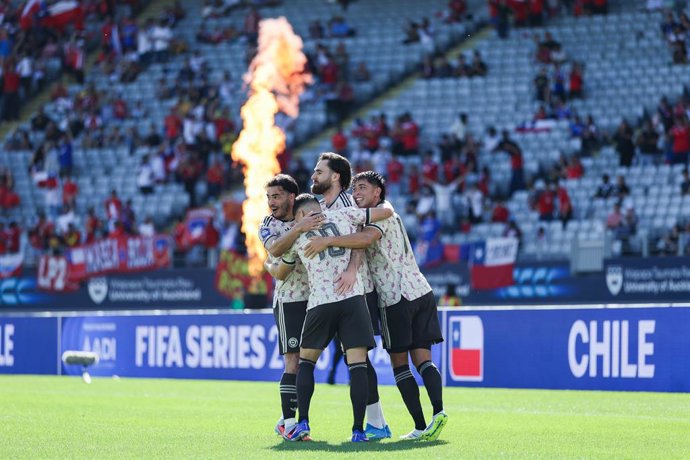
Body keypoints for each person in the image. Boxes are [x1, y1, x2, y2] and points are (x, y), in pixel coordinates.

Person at [303, 171, 447, 441]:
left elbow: (366, 239)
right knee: (423, 358)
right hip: (421, 290)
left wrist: (328, 240)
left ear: (377, 193)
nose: (356, 193)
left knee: (399, 364)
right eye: (354, 188)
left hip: (396, 297)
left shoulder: (380, 213)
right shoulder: (388, 211)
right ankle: (438, 413)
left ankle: (419, 426)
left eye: (362, 188)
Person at [267, 193, 394, 442]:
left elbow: (282, 271)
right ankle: (359, 431)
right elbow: (383, 213)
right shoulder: (344, 215)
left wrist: (267, 266)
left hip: (320, 303)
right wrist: (385, 202)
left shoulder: (297, 235)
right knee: (358, 365)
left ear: (302, 214)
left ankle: (302, 423)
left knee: (306, 363)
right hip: (352, 299)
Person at [310, 152, 391, 440]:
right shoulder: (319, 205)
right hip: (332, 293)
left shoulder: (348, 202)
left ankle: (376, 423)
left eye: (319, 171)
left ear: (335, 176)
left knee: (358, 359)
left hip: (358, 289)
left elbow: (360, 237)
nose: (313, 175)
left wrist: (352, 270)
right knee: (354, 359)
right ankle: (377, 422)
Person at [258, 174, 323, 438]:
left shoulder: (310, 211)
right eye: (269, 197)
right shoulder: (268, 225)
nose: (271, 202)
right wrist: (299, 228)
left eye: (276, 196)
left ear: (290, 196)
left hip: (320, 297)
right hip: (290, 300)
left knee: (308, 363)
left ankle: (292, 419)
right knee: (293, 361)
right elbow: (274, 250)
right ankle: (288, 422)